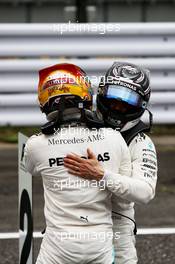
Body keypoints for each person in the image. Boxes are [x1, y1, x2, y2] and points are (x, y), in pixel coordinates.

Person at [24, 63, 132, 264]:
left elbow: (28, 170)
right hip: (101, 244)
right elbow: (126, 194)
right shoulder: (114, 138)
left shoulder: (34, 145)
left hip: (58, 246)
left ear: (45, 102)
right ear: (85, 95)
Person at [64, 62, 158, 264]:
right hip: (71, 221)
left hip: (117, 225)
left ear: (141, 104)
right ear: (102, 93)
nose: (118, 106)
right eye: (114, 97)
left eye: (128, 101)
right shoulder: (78, 127)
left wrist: (102, 176)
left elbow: (145, 192)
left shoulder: (141, 142)